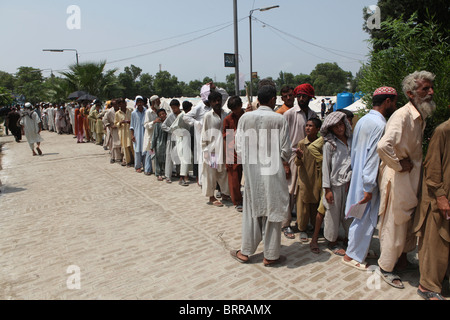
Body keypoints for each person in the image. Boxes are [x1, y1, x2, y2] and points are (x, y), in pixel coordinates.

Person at [376, 71, 437, 289]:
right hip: (398, 178)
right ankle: (385, 267)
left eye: (431, 88)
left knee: (406, 221)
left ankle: (400, 260)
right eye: (425, 89)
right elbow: (383, 146)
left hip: (409, 179)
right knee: (394, 222)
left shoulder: (418, 116)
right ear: (411, 93)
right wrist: (399, 165)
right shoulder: (402, 115)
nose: (430, 92)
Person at [230, 85, 291, 266]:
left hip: (252, 173)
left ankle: (245, 251)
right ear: (272, 99)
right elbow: (286, 150)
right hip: (272, 172)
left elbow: (238, 148)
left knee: (251, 211)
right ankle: (270, 255)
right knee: (272, 211)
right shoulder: (279, 119)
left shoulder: (245, 118)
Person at [342, 87, 398, 271]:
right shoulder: (380, 125)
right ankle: (352, 256)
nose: (395, 105)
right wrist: (368, 187)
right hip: (367, 179)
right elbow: (373, 157)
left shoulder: (363, 120)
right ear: (387, 102)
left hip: (360, 174)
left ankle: (359, 250)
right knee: (364, 218)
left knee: (361, 217)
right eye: (394, 102)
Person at [413, 105, 450, 300]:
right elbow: (432, 166)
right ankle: (427, 286)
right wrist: (441, 196)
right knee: (436, 242)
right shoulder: (443, 130)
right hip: (439, 198)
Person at [282, 83, 318, 239]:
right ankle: (285, 224)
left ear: (310, 98)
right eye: (299, 96)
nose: (301, 99)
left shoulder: (314, 115)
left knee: (304, 191)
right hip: (292, 156)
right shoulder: (289, 114)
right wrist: (285, 163)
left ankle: (304, 223)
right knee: (289, 192)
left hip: (309, 157)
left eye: (305, 96)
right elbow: (283, 139)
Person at [321, 111, 353, 256]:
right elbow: (326, 168)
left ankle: (349, 238)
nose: (340, 128)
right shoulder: (329, 145)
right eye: (335, 127)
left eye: (341, 125)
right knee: (333, 214)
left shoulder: (352, 140)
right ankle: (332, 242)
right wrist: (327, 189)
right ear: (331, 129)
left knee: (349, 214)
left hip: (350, 184)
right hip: (334, 185)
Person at [295, 118, 322, 243]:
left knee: (315, 204)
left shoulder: (321, 143)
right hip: (305, 178)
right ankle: (302, 229)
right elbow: (297, 163)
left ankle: (314, 226)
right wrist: (299, 157)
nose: (307, 128)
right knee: (303, 206)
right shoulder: (301, 143)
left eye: (311, 126)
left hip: (317, 178)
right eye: (306, 125)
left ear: (318, 129)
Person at [201, 91, 231, 206]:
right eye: (214, 101)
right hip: (212, 150)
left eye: (219, 100)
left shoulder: (226, 114)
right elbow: (204, 134)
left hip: (225, 149)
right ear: (211, 103)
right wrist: (205, 151)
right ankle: (211, 197)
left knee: (224, 172)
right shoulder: (208, 116)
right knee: (211, 174)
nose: (217, 102)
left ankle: (225, 193)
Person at [223, 96, 245, 212]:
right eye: (233, 109)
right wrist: (229, 156)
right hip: (234, 151)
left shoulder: (248, 116)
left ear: (241, 105)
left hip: (248, 150)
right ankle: (237, 201)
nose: (235, 111)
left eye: (236, 108)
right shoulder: (228, 119)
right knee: (234, 178)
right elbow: (227, 138)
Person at [168, 100, 192, 186]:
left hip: (186, 138)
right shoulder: (182, 115)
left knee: (186, 158)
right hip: (182, 139)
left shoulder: (186, 115)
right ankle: (182, 178)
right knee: (184, 158)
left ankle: (185, 176)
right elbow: (172, 127)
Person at [161, 99, 181, 183]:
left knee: (179, 156)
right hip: (171, 138)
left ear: (178, 107)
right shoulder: (170, 116)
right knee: (169, 156)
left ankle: (179, 173)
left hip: (180, 138)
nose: (174, 110)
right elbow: (163, 125)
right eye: (172, 108)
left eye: (175, 108)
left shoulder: (182, 115)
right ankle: (168, 176)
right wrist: (171, 130)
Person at [130, 96, 147, 173]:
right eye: (138, 102)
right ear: (136, 103)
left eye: (141, 102)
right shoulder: (133, 113)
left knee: (145, 150)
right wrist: (132, 135)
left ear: (143, 103)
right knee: (137, 151)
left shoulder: (146, 112)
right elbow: (132, 126)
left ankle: (145, 165)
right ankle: (138, 166)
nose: (140, 104)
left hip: (145, 133)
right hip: (137, 134)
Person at [115, 98, 134, 167]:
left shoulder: (130, 111)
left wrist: (130, 122)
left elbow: (134, 120)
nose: (122, 105)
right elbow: (115, 123)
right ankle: (128, 161)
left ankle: (135, 160)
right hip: (123, 132)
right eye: (120, 104)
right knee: (125, 147)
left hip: (130, 130)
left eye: (123, 103)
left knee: (132, 145)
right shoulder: (117, 113)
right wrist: (120, 122)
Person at [143, 97, 159, 175]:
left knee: (155, 153)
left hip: (157, 135)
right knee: (150, 152)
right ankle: (148, 169)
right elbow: (145, 125)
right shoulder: (148, 112)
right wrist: (154, 122)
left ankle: (155, 169)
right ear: (153, 102)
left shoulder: (158, 111)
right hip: (150, 135)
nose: (159, 103)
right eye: (158, 101)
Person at [151, 109, 168, 181]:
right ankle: (158, 173)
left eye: (163, 114)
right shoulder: (157, 124)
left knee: (165, 158)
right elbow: (154, 135)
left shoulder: (168, 122)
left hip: (166, 143)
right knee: (158, 159)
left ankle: (164, 172)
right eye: (160, 114)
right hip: (159, 143)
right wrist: (152, 146)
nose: (162, 115)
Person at [103, 99, 122, 164]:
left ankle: (121, 157)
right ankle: (113, 157)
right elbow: (104, 119)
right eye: (114, 104)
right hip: (113, 129)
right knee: (114, 144)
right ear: (112, 105)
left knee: (121, 143)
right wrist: (110, 126)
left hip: (121, 128)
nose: (116, 105)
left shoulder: (121, 110)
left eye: (117, 104)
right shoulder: (109, 111)